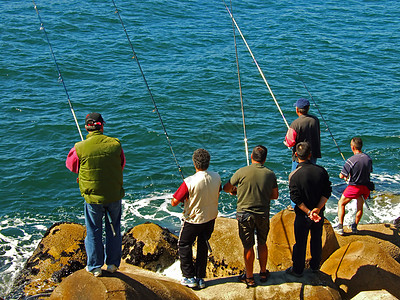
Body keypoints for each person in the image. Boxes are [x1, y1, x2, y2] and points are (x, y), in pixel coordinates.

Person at [66, 112, 125, 277]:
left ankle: (95, 266)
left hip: (92, 197)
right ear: (102, 126)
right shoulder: (115, 144)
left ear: (86, 127)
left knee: (93, 230)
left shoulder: (79, 147)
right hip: (113, 194)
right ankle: (113, 263)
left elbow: (71, 166)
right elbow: (122, 164)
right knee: (114, 229)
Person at [223, 145, 278, 287]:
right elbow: (275, 195)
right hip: (262, 214)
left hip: (244, 214)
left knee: (248, 246)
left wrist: (235, 191)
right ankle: (263, 272)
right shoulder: (270, 174)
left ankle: (249, 277)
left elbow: (227, 188)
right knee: (262, 243)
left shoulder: (241, 172)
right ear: (265, 159)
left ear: (252, 157)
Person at [171, 149, 221, 289]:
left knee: (183, 244)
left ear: (194, 163)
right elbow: (217, 190)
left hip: (193, 220)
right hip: (210, 218)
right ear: (208, 162)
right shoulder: (216, 176)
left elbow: (174, 201)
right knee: (203, 245)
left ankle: (188, 277)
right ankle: (200, 277)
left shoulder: (189, 181)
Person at [286, 142, 332, 277]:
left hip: (302, 215)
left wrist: (308, 211)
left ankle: (298, 269)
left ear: (296, 155)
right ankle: (315, 266)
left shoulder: (294, 175)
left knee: (300, 242)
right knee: (316, 239)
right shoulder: (321, 171)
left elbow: (295, 198)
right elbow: (327, 192)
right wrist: (317, 209)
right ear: (310, 155)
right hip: (318, 214)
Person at [284, 98, 321, 209]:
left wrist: (286, 141)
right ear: (308, 108)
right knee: (311, 177)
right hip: (313, 153)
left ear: (297, 110)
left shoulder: (295, 124)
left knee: (295, 179)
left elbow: (290, 142)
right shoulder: (315, 120)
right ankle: (311, 200)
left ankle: (294, 204)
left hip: (299, 157)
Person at [334, 137, 373, 235]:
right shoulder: (368, 158)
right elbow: (369, 171)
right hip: (366, 187)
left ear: (352, 147)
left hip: (354, 187)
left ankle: (340, 227)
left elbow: (342, 175)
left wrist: (345, 177)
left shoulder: (351, 160)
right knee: (360, 207)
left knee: (341, 203)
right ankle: (355, 226)